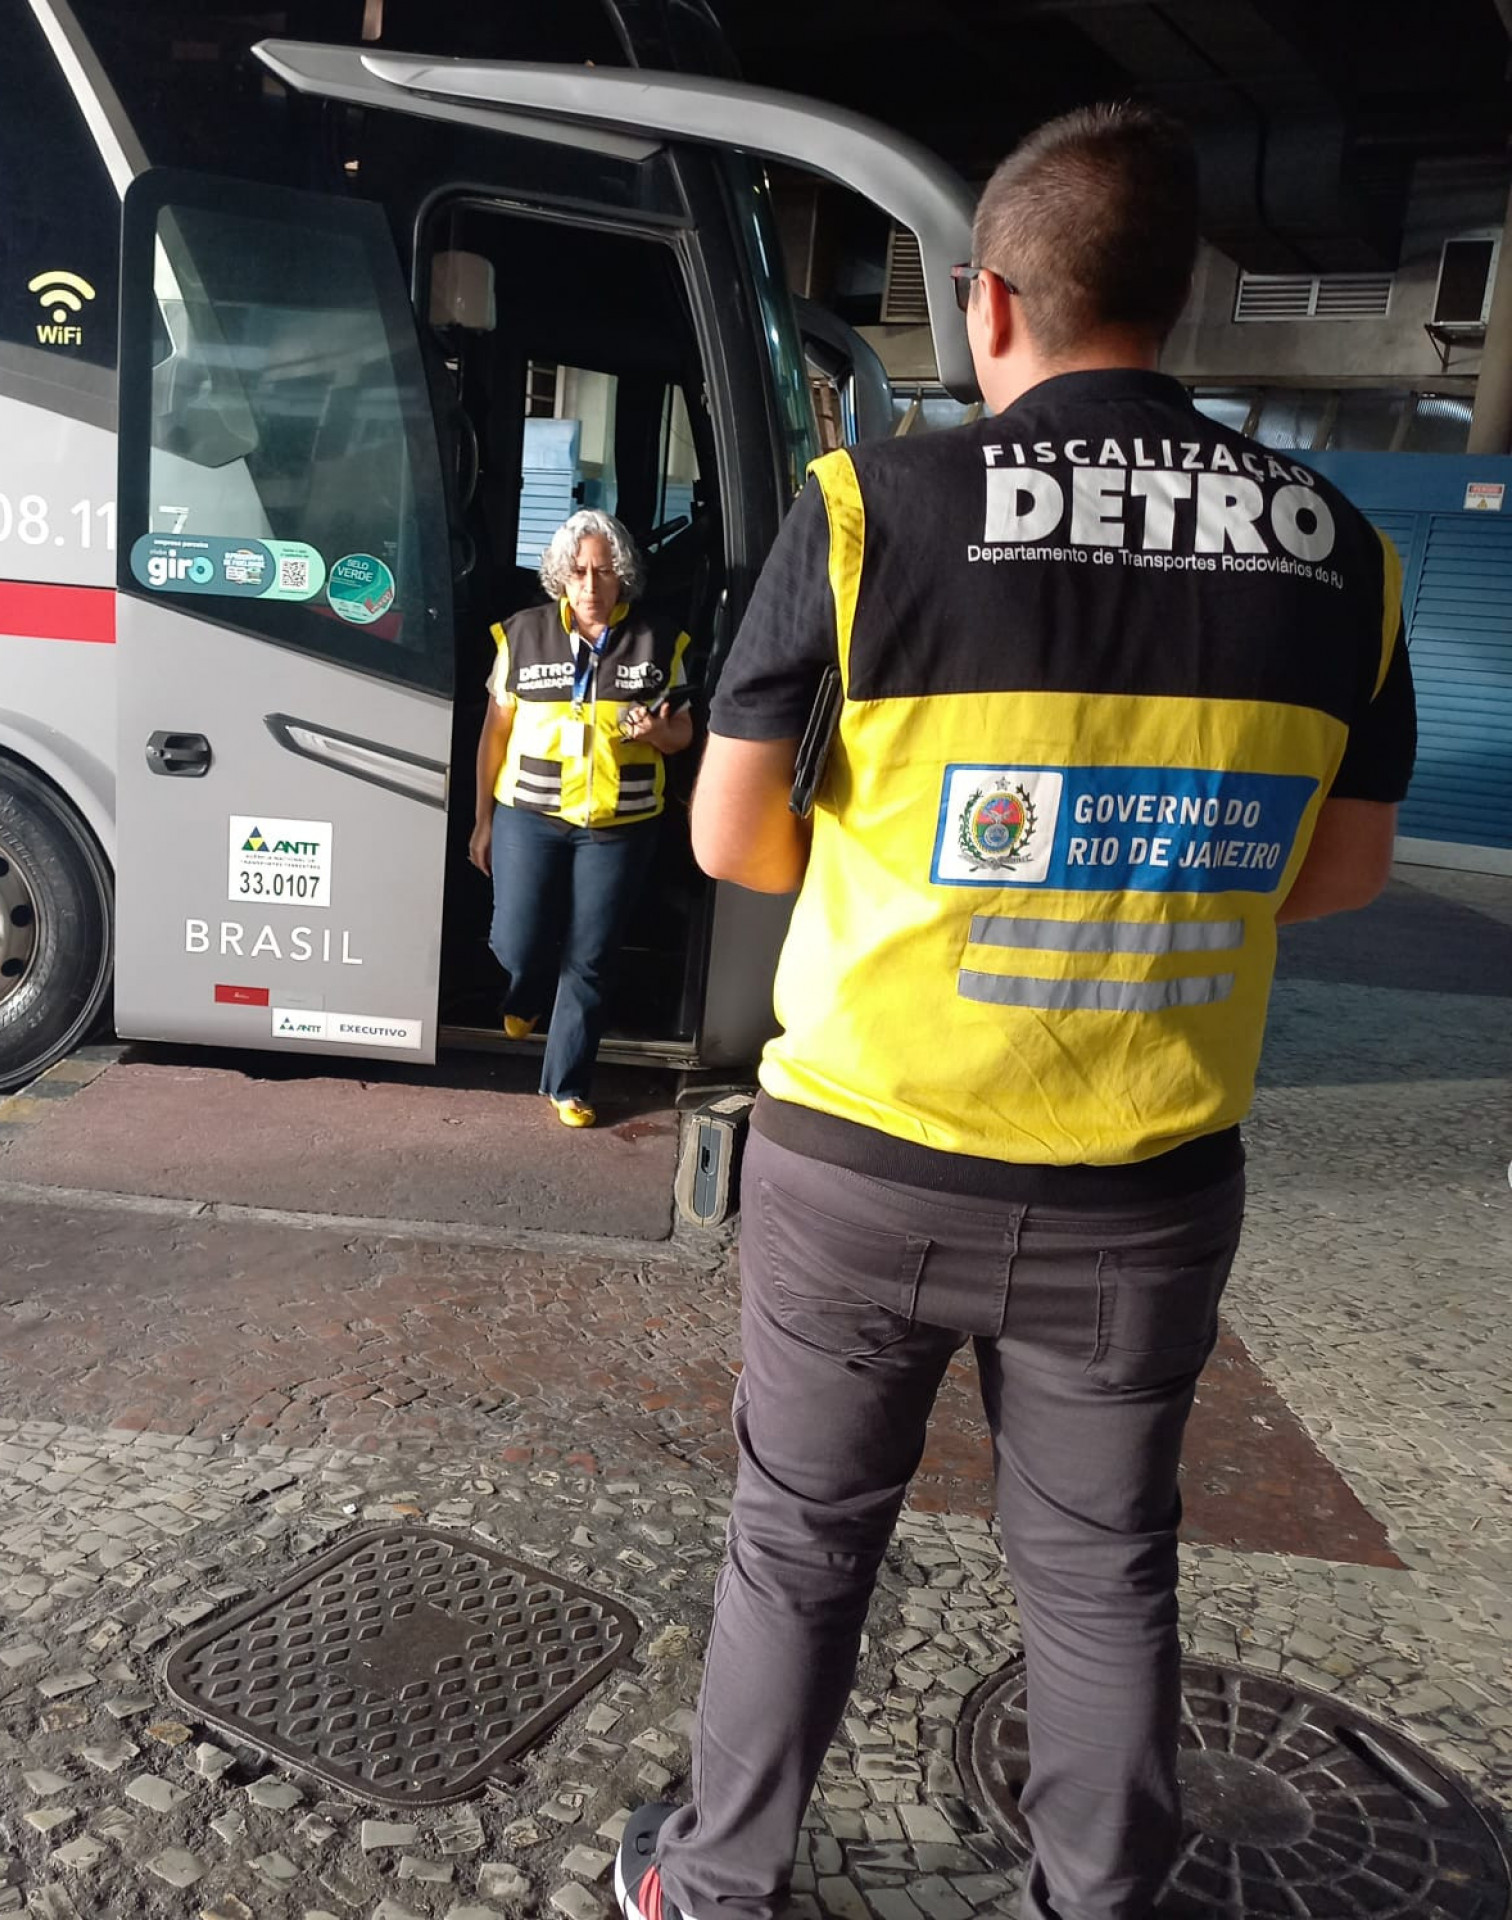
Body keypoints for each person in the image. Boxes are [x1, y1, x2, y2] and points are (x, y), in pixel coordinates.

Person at [613, 105, 1414, 1920]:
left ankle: (719, 1889)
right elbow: (1341, 871)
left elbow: (737, 841)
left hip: (864, 1168)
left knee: (801, 1548)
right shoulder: (1341, 558)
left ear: (990, 306)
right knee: (1104, 1567)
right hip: (1142, 1191)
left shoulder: (867, 511)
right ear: (1182, 299)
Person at [470, 508, 693, 1128]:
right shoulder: (521, 635)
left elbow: (684, 734)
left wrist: (658, 730)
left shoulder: (659, 642)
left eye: (602, 572)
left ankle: (567, 1083)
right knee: (516, 939)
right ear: (561, 577)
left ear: (621, 576)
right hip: (530, 815)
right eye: (578, 572)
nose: (590, 586)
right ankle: (524, 990)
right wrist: (482, 819)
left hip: (618, 826)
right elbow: (494, 734)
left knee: (592, 957)